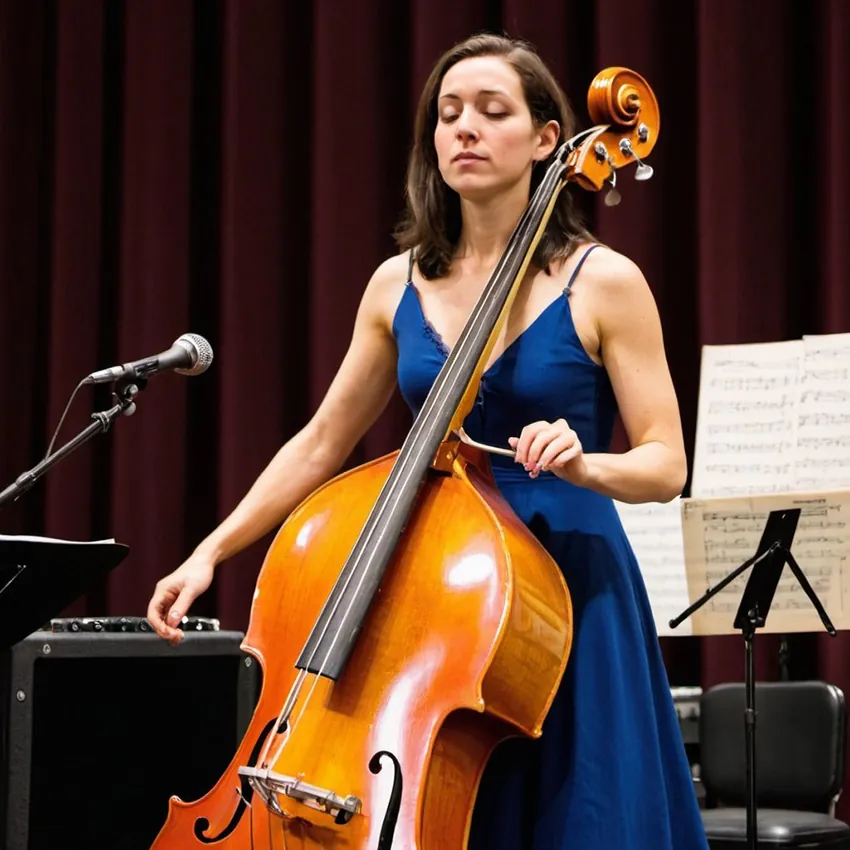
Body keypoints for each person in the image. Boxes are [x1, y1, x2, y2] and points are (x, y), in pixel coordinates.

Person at [147, 32, 707, 850]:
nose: (464, 130)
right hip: (434, 593)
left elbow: (666, 462)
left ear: (549, 138)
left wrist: (588, 462)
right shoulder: (396, 282)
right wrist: (211, 550)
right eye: (448, 115)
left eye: (491, 111)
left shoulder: (606, 282)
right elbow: (321, 441)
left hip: (561, 592)